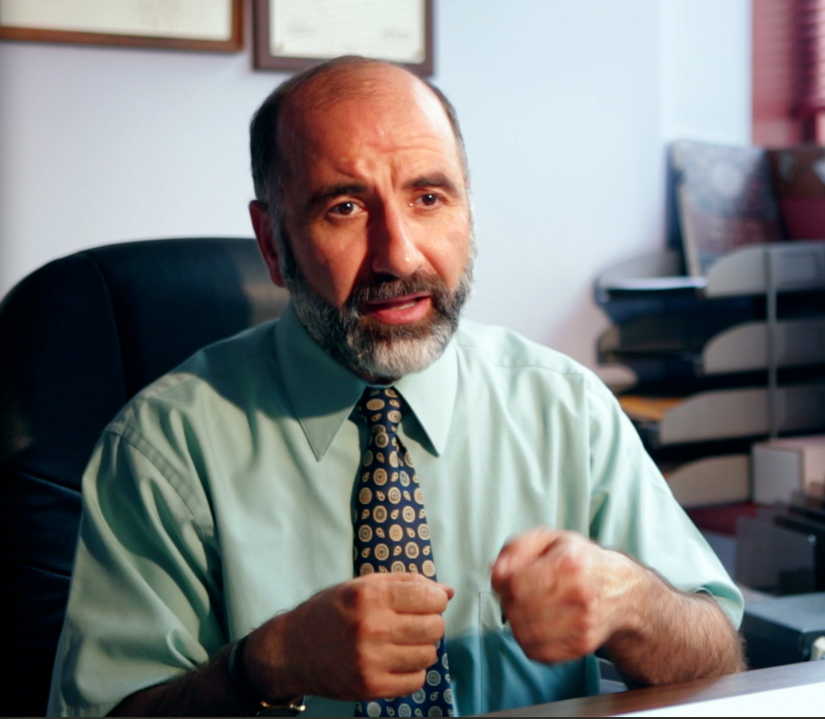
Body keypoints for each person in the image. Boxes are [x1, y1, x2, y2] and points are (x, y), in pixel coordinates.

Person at [48, 56, 745, 717]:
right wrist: (268, 664)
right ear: (272, 243)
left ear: (468, 212)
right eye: (344, 208)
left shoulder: (565, 407)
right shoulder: (164, 446)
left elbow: (718, 661)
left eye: (428, 197)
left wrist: (634, 605)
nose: (399, 255)